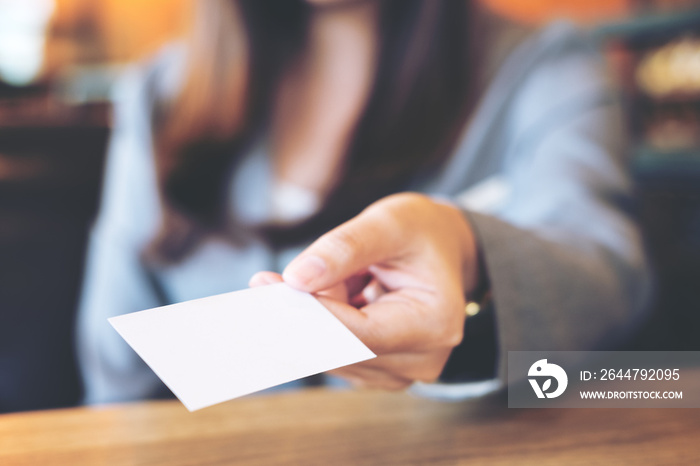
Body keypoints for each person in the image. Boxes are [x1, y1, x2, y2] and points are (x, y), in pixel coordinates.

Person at [77, 0, 650, 404]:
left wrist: (473, 254)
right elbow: (115, 374)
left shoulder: (544, 70)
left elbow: (605, 275)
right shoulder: (156, 94)